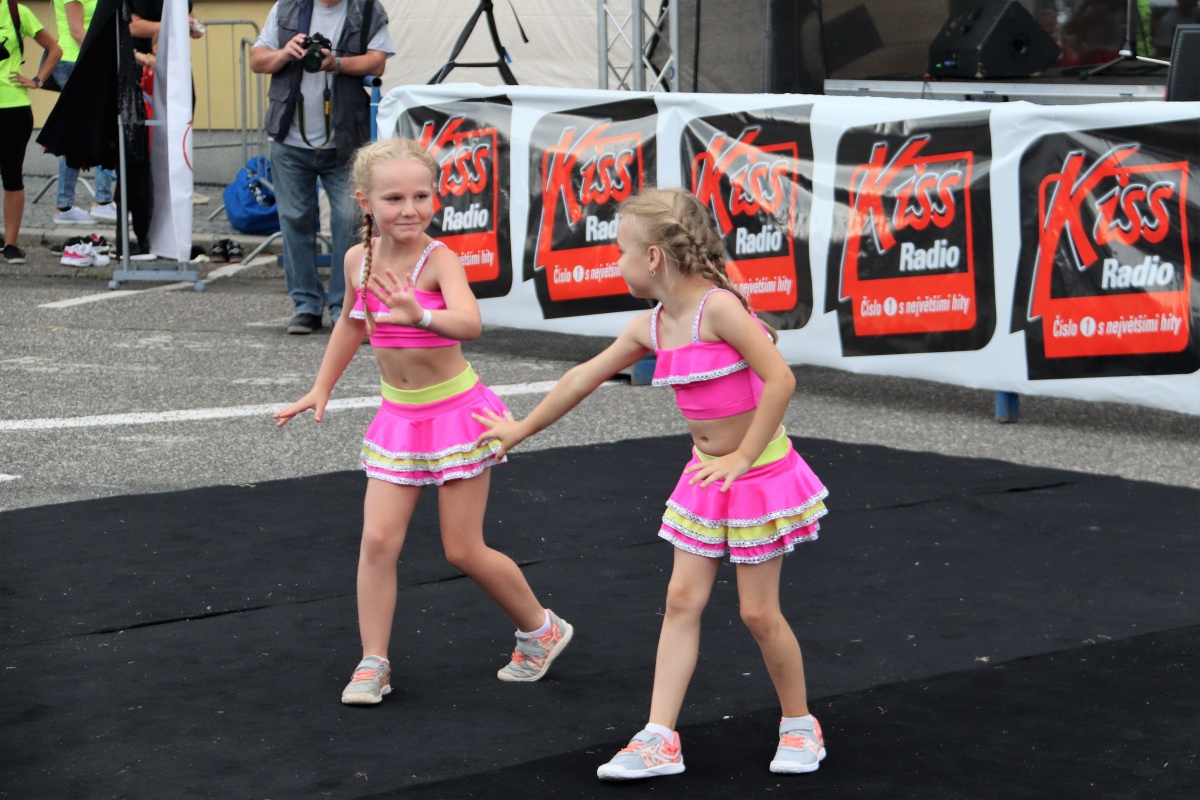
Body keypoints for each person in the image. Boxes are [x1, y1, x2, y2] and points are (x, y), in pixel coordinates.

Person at [474, 188, 829, 780]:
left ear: (655, 257)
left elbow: (781, 380)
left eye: (621, 251)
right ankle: (659, 737)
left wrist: (743, 457)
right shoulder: (653, 326)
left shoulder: (719, 309)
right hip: (708, 475)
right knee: (681, 600)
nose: (617, 262)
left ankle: (800, 724)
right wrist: (520, 429)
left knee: (757, 613)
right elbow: (582, 377)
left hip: (760, 474)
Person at [273, 138, 574, 705]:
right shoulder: (357, 260)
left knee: (462, 549)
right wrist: (321, 386)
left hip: (459, 416)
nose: (409, 209)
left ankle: (541, 629)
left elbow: (470, 324)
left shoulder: (439, 260)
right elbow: (352, 324)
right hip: (399, 419)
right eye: (394, 199)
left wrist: (420, 314)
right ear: (364, 201)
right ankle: (373, 662)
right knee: (377, 541)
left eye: (421, 196)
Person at [251, 0, 392, 335]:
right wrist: (284, 53)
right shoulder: (286, 7)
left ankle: (343, 306)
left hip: (345, 139)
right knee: (295, 220)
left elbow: (377, 62)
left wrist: (335, 63)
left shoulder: (367, 9)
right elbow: (257, 59)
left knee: (349, 220)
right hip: (289, 137)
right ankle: (305, 306)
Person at [1, 0, 61, 264]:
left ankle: (11, 244)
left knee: (12, 175)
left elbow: (55, 49)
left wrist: (37, 80)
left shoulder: (16, 11)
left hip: (13, 107)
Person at [49, 0, 117, 225]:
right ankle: (89, 202)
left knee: (91, 130)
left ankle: (77, 203)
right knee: (87, 130)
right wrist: (104, 57)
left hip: (84, 60)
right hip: (75, 61)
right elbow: (76, 30)